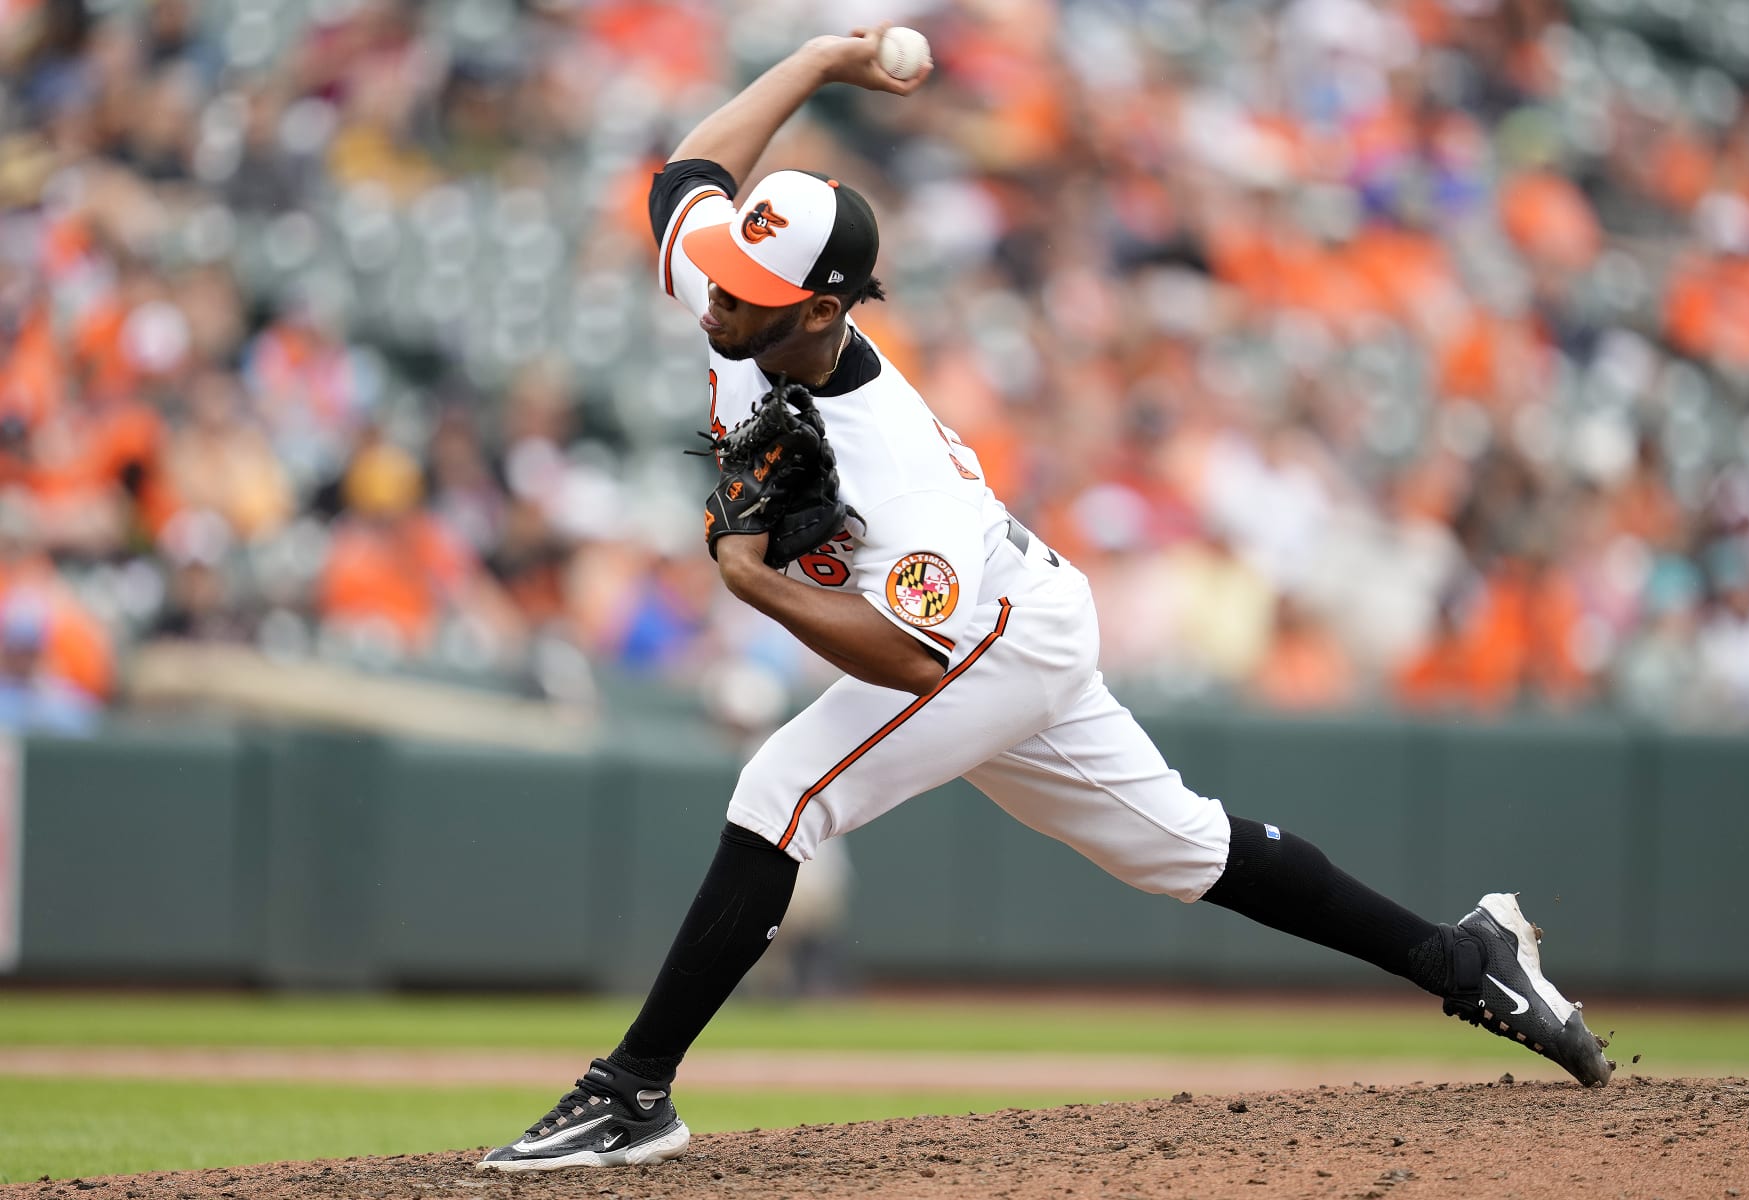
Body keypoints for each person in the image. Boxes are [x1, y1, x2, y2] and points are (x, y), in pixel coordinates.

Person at [476, 28, 1612, 1173]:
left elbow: (918, 666)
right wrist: (819, 64)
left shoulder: (891, 465)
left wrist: (753, 577)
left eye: (755, 291)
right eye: (727, 275)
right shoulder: (740, 294)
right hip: (1016, 610)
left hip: (986, 636)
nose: (720, 298)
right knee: (1183, 849)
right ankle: (1466, 960)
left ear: (823, 310)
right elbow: (689, 179)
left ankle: (632, 1091)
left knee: (784, 787)